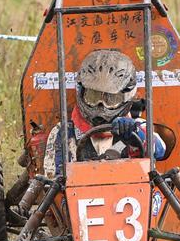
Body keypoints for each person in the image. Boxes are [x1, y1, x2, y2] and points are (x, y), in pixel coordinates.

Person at [42, 49, 165, 179]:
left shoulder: (137, 127)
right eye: (93, 96)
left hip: (129, 196)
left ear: (126, 98)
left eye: (111, 99)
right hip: (80, 196)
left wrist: (134, 133)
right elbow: (54, 181)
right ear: (82, 93)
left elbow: (160, 149)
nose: (101, 105)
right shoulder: (64, 133)